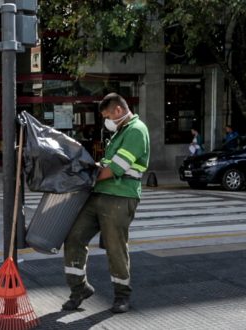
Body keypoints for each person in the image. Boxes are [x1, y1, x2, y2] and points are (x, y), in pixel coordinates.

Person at [62, 92, 150, 313]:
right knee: (73, 237)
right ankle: (79, 289)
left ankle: (122, 296)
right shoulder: (121, 132)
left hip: (121, 196)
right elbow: (106, 163)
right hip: (99, 194)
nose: (106, 121)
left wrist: (87, 176)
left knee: (115, 247)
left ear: (118, 111)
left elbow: (113, 169)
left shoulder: (136, 131)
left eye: (107, 116)